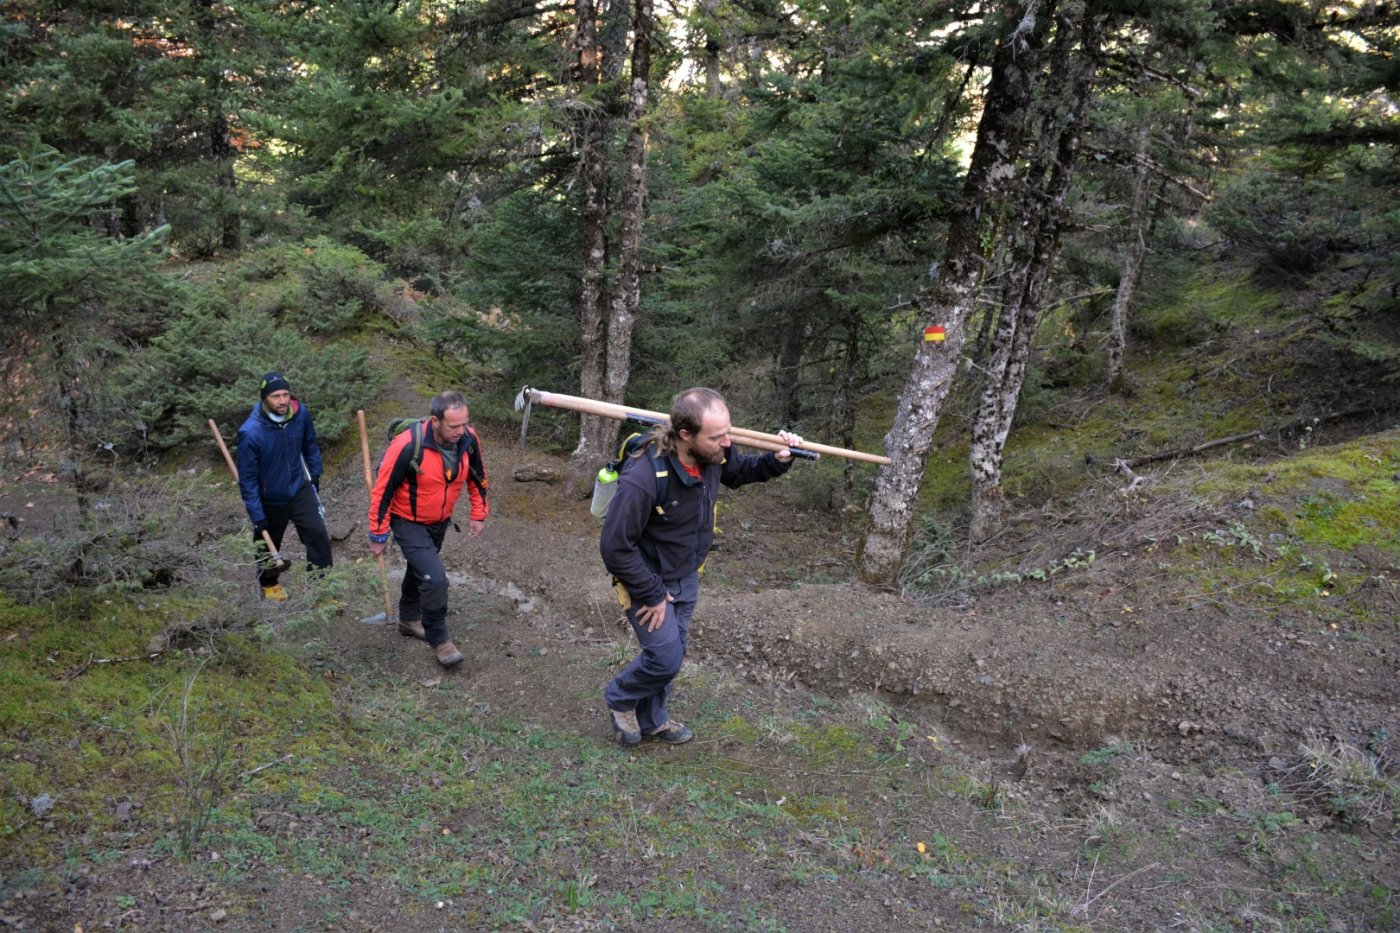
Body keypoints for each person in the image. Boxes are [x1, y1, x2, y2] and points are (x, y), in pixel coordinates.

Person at [600, 387, 802, 746]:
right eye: (718, 437)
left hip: (686, 571)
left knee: (673, 650)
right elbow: (615, 547)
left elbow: (739, 472)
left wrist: (779, 460)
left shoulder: (713, 455)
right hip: (646, 578)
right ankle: (619, 697)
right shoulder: (643, 478)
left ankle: (654, 720)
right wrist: (653, 593)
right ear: (685, 435)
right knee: (665, 658)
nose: (728, 443)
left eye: (729, 432)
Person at [368, 391, 489, 668]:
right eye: (454, 426)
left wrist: (478, 513)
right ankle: (440, 639)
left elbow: (478, 476)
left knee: (420, 569)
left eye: (464, 424)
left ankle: (408, 619)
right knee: (435, 579)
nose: (461, 430)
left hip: (439, 522)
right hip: (407, 521)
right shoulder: (407, 445)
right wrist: (378, 532)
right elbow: (383, 490)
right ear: (436, 421)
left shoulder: (468, 439)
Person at [236, 371, 333, 601]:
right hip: (270, 496)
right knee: (267, 541)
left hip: (299, 488)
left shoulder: (300, 415)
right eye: (275, 396)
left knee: (318, 535)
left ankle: (321, 589)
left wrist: (315, 476)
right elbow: (247, 480)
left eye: (285, 394)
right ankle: (269, 583)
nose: (282, 401)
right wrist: (257, 515)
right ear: (264, 399)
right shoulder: (251, 432)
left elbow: (310, 446)